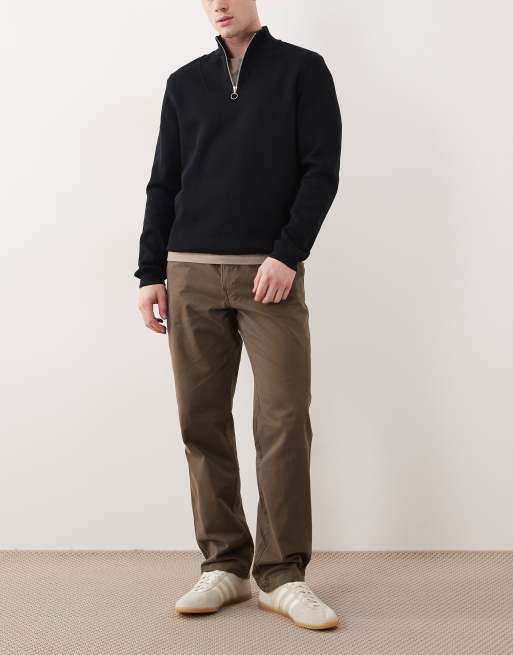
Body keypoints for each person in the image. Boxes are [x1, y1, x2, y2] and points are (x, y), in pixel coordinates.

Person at [134, 0, 342, 631]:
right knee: (201, 420)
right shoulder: (184, 83)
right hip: (190, 272)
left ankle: (282, 574)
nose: (219, 4)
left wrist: (287, 253)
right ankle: (224, 564)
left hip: (269, 274)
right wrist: (150, 272)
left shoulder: (303, 70)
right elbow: (164, 181)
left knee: (283, 418)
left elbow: (321, 171)